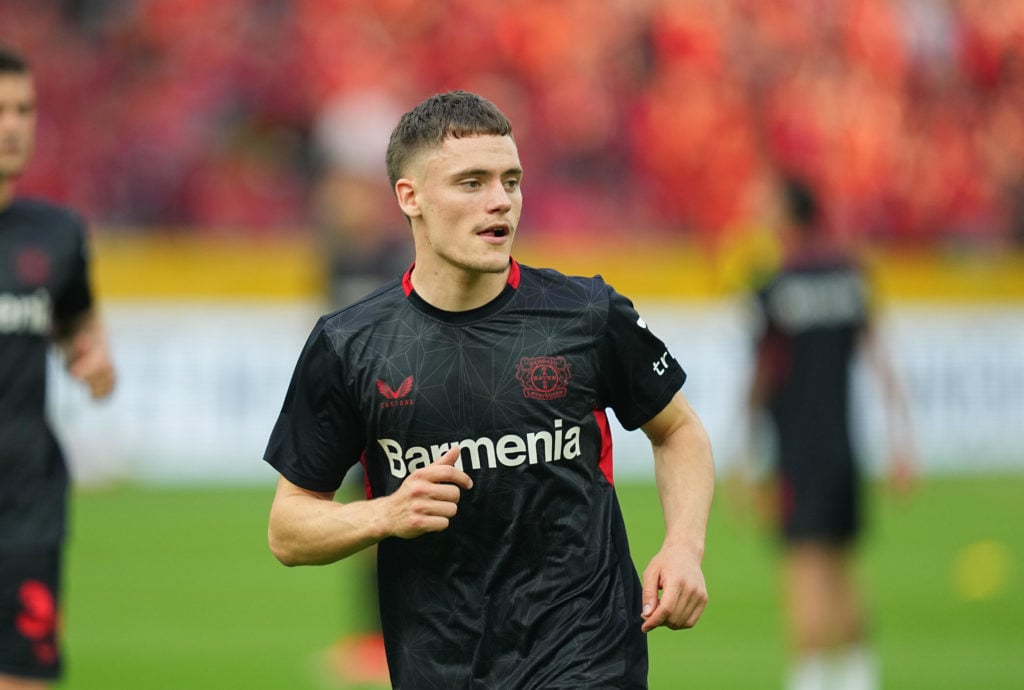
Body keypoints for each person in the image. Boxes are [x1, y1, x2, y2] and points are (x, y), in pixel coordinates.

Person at [264, 90, 714, 689]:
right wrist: (385, 514)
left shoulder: (586, 314)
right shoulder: (349, 345)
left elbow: (678, 429)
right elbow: (288, 528)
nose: (500, 200)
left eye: (511, 180)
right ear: (411, 197)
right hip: (440, 666)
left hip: (587, 652)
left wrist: (684, 546)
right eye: (472, 182)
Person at [738, 176, 914, 690]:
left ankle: (810, 681)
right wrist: (904, 445)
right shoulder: (849, 274)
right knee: (845, 570)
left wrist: (746, 457)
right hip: (843, 449)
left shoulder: (773, 284)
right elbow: (882, 364)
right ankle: (859, 679)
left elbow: (762, 376)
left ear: (788, 215)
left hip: (798, 452)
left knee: (804, 573)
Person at [0, 45, 116, 690]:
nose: (13, 125)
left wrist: (89, 351)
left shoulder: (57, 233)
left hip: (26, 504)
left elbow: (76, 318)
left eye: (23, 109)